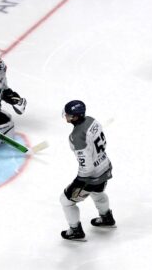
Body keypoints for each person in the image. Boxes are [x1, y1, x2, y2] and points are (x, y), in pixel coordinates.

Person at [60, 100, 115, 241]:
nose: (66, 116)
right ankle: (106, 217)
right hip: (105, 166)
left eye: (69, 114)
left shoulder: (77, 136)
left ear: (76, 117)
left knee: (66, 200)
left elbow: (87, 167)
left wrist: (79, 182)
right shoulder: (92, 120)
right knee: (98, 192)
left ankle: (75, 230)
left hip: (92, 176)